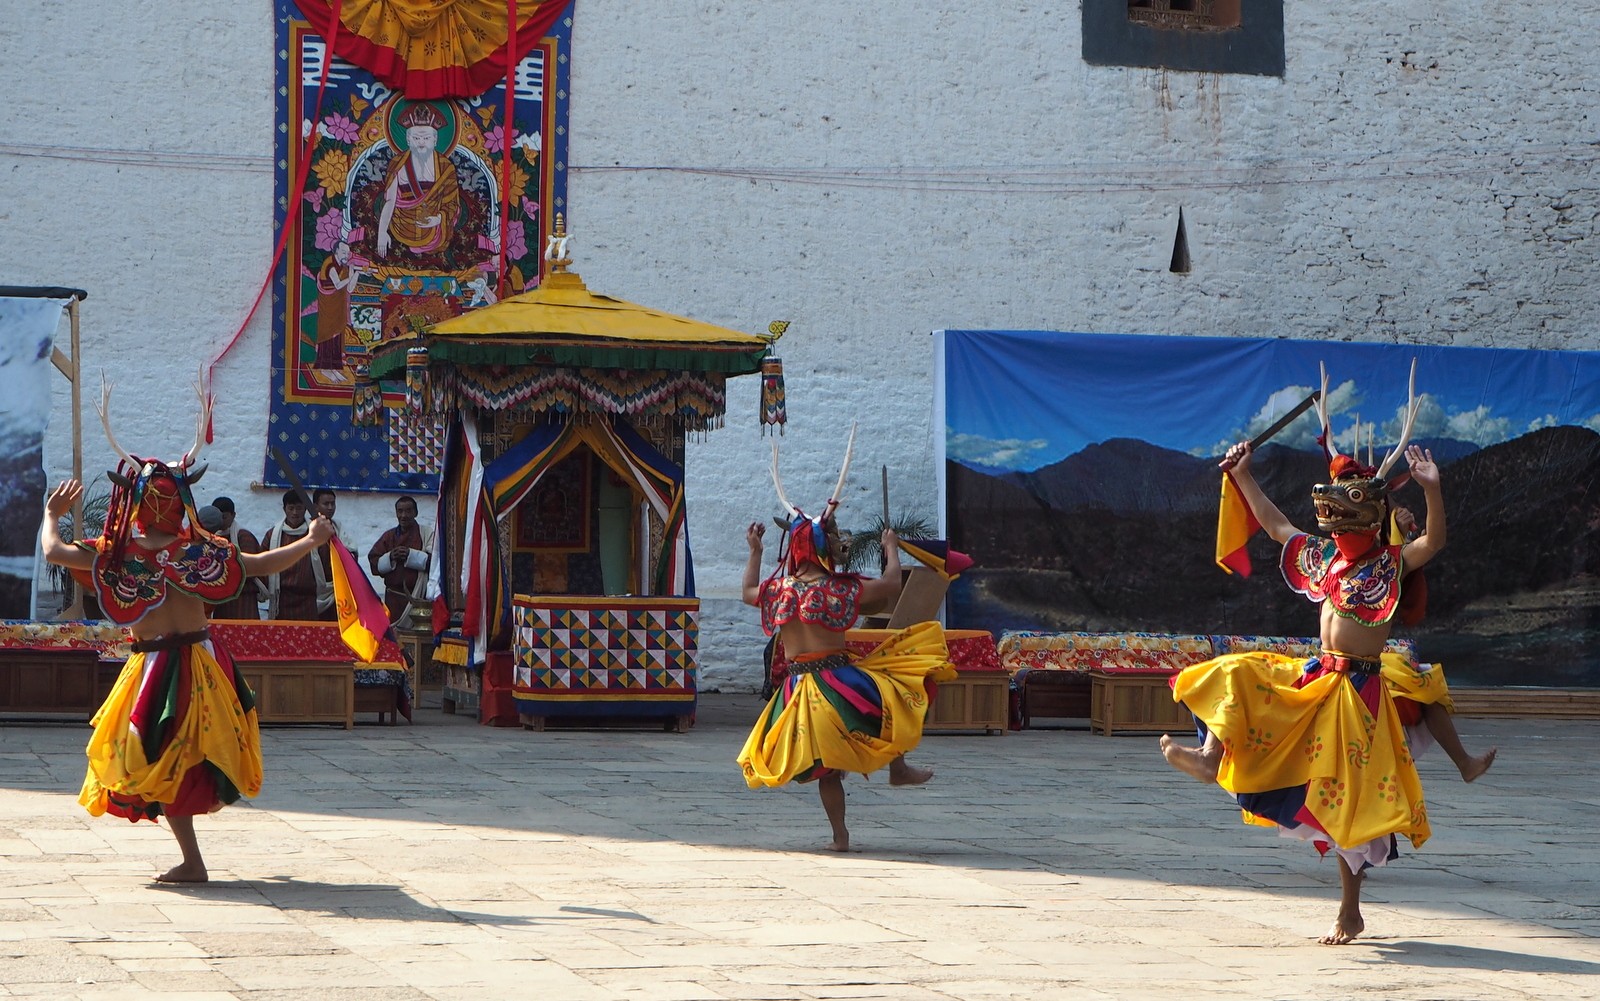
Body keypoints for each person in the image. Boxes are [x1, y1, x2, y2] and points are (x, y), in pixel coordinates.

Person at [1161, 372, 1496, 945]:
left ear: (1370, 513)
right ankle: (1211, 755)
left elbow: (1432, 543)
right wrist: (1243, 474)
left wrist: (1432, 489)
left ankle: (1350, 908)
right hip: (1319, 677)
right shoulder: (1325, 560)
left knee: (1345, 804)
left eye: (1347, 503)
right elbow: (1275, 524)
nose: (1331, 509)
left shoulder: (1390, 565)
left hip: (1359, 695)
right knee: (1231, 671)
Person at [39, 401, 333, 883]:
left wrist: (53, 514)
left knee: (163, 757)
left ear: (135, 504)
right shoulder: (199, 552)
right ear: (180, 504)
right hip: (201, 662)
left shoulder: (116, 557)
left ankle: (193, 862)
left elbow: (52, 549)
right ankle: (192, 860)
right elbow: (261, 565)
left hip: (160, 668)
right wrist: (310, 541)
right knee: (185, 758)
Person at [736, 432, 955, 852]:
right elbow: (892, 586)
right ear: (822, 550)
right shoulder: (840, 589)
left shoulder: (779, 590)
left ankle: (840, 836)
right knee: (892, 699)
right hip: (837, 681)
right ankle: (898, 767)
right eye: (833, 541)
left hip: (798, 691)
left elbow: (747, 593)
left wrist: (755, 552)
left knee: (829, 770)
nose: (839, 546)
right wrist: (891, 547)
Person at [375, 102, 462, 259]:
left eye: (426, 138)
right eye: (416, 138)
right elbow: (390, 201)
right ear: (408, 140)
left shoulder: (445, 167)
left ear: (435, 141)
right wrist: (382, 232)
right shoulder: (398, 165)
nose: (421, 143)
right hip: (401, 228)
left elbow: (452, 203)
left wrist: (439, 219)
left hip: (435, 231)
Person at [261, 490, 333, 620]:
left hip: (309, 601)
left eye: (299, 508)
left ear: (305, 509)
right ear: (284, 509)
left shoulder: (316, 534)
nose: (295, 512)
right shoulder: (273, 536)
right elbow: (263, 564)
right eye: (291, 508)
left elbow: (326, 565)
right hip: (281, 601)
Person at [367, 495, 430, 624]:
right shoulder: (389, 536)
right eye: (400, 511)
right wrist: (391, 557)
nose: (404, 515)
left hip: (418, 596)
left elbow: (434, 562)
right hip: (394, 599)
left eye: (408, 511)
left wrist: (410, 555)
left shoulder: (426, 534)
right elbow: (374, 562)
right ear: (396, 513)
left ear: (416, 512)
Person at [209, 496, 264, 619]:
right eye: (218, 517)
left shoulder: (244, 537)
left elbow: (249, 569)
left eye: (224, 517)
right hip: (221, 601)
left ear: (233, 515)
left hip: (244, 598)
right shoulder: (210, 538)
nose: (221, 521)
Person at [313, 241, 361, 371]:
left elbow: (349, 289)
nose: (347, 255)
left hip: (339, 307)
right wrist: (350, 276)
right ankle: (324, 367)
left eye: (348, 252)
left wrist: (356, 274)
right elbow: (338, 285)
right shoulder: (330, 264)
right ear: (336, 252)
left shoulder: (345, 267)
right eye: (344, 252)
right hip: (329, 305)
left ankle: (335, 366)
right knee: (327, 334)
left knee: (338, 334)